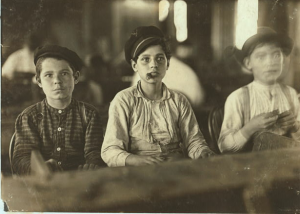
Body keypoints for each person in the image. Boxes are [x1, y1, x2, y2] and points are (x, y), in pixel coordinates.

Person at [101, 26, 214, 167]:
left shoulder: (179, 101)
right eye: (145, 60)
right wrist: (139, 160)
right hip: (138, 173)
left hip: (174, 168)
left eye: (160, 59)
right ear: (135, 65)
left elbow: (193, 142)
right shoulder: (123, 101)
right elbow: (110, 151)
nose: (154, 65)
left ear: (167, 64)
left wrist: (203, 152)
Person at [12, 45, 105, 175]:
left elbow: (94, 152)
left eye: (64, 74)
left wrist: (91, 166)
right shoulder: (29, 117)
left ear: (76, 77)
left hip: (80, 183)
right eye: (48, 75)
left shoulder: (89, 114)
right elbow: (22, 159)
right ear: (39, 81)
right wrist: (40, 168)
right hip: (43, 185)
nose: (57, 81)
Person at [218, 27, 300, 153]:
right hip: (250, 167)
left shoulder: (291, 94)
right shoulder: (238, 97)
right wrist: (249, 128)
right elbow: (224, 146)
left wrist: (294, 126)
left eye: (276, 55)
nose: (270, 63)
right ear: (248, 63)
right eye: (261, 57)